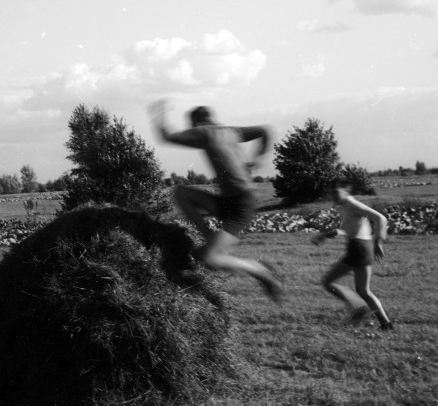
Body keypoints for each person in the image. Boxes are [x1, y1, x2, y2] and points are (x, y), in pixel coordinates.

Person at [148, 100, 283, 301]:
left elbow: (167, 136)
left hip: (239, 207)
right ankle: (210, 238)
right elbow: (265, 131)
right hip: (228, 200)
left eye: (192, 128)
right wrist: (258, 158)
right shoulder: (231, 131)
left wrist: (158, 114)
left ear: (196, 123)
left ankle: (259, 270)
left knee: (212, 260)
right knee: (181, 192)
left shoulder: (205, 132)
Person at [312, 178, 394, 330]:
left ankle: (359, 308)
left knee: (328, 282)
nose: (333, 196)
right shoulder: (347, 206)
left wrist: (379, 241)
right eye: (332, 193)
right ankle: (386, 324)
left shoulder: (353, 204)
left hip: (358, 249)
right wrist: (325, 235)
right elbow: (349, 230)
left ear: (346, 191)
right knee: (364, 291)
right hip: (364, 248)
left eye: (336, 192)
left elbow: (381, 218)